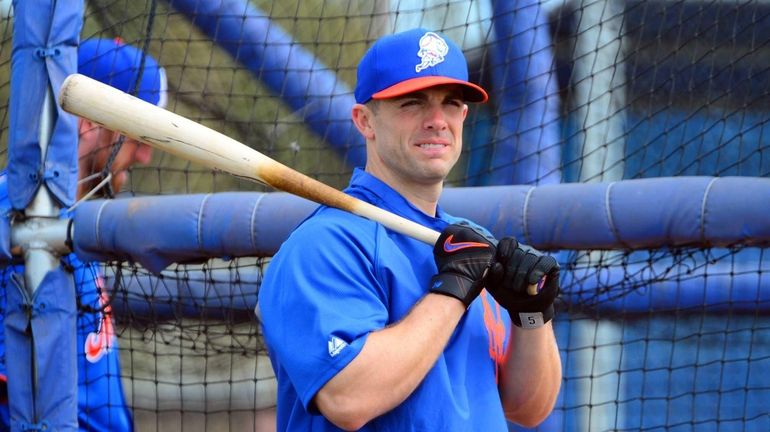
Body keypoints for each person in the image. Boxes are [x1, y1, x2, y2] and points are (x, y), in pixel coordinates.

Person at [258, 28, 562, 431]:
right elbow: (348, 397)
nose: (437, 121)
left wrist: (531, 315)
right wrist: (452, 292)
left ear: (464, 117)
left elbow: (528, 408)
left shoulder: (472, 242)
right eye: (412, 103)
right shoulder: (325, 244)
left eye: (450, 103)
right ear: (365, 120)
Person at [0, 37, 166, 431]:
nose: (146, 155)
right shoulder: (15, 210)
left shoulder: (80, 216)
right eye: (139, 135)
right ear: (89, 121)